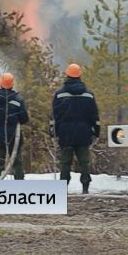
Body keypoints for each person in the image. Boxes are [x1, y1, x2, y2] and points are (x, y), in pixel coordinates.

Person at [51, 63, 100, 194]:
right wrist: (96, 131)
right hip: (84, 132)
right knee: (84, 162)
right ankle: (85, 188)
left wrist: (53, 132)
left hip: (65, 132)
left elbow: (55, 116)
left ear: (67, 75)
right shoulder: (88, 95)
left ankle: (63, 188)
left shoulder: (59, 95)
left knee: (65, 162)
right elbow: (94, 115)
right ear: (80, 76)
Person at [0, 72, 29, 180]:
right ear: (12, 84)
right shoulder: (17, 100)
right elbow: (24, 119)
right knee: (17, 162)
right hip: (13, 135)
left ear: (0, 83)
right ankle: (20, 189)